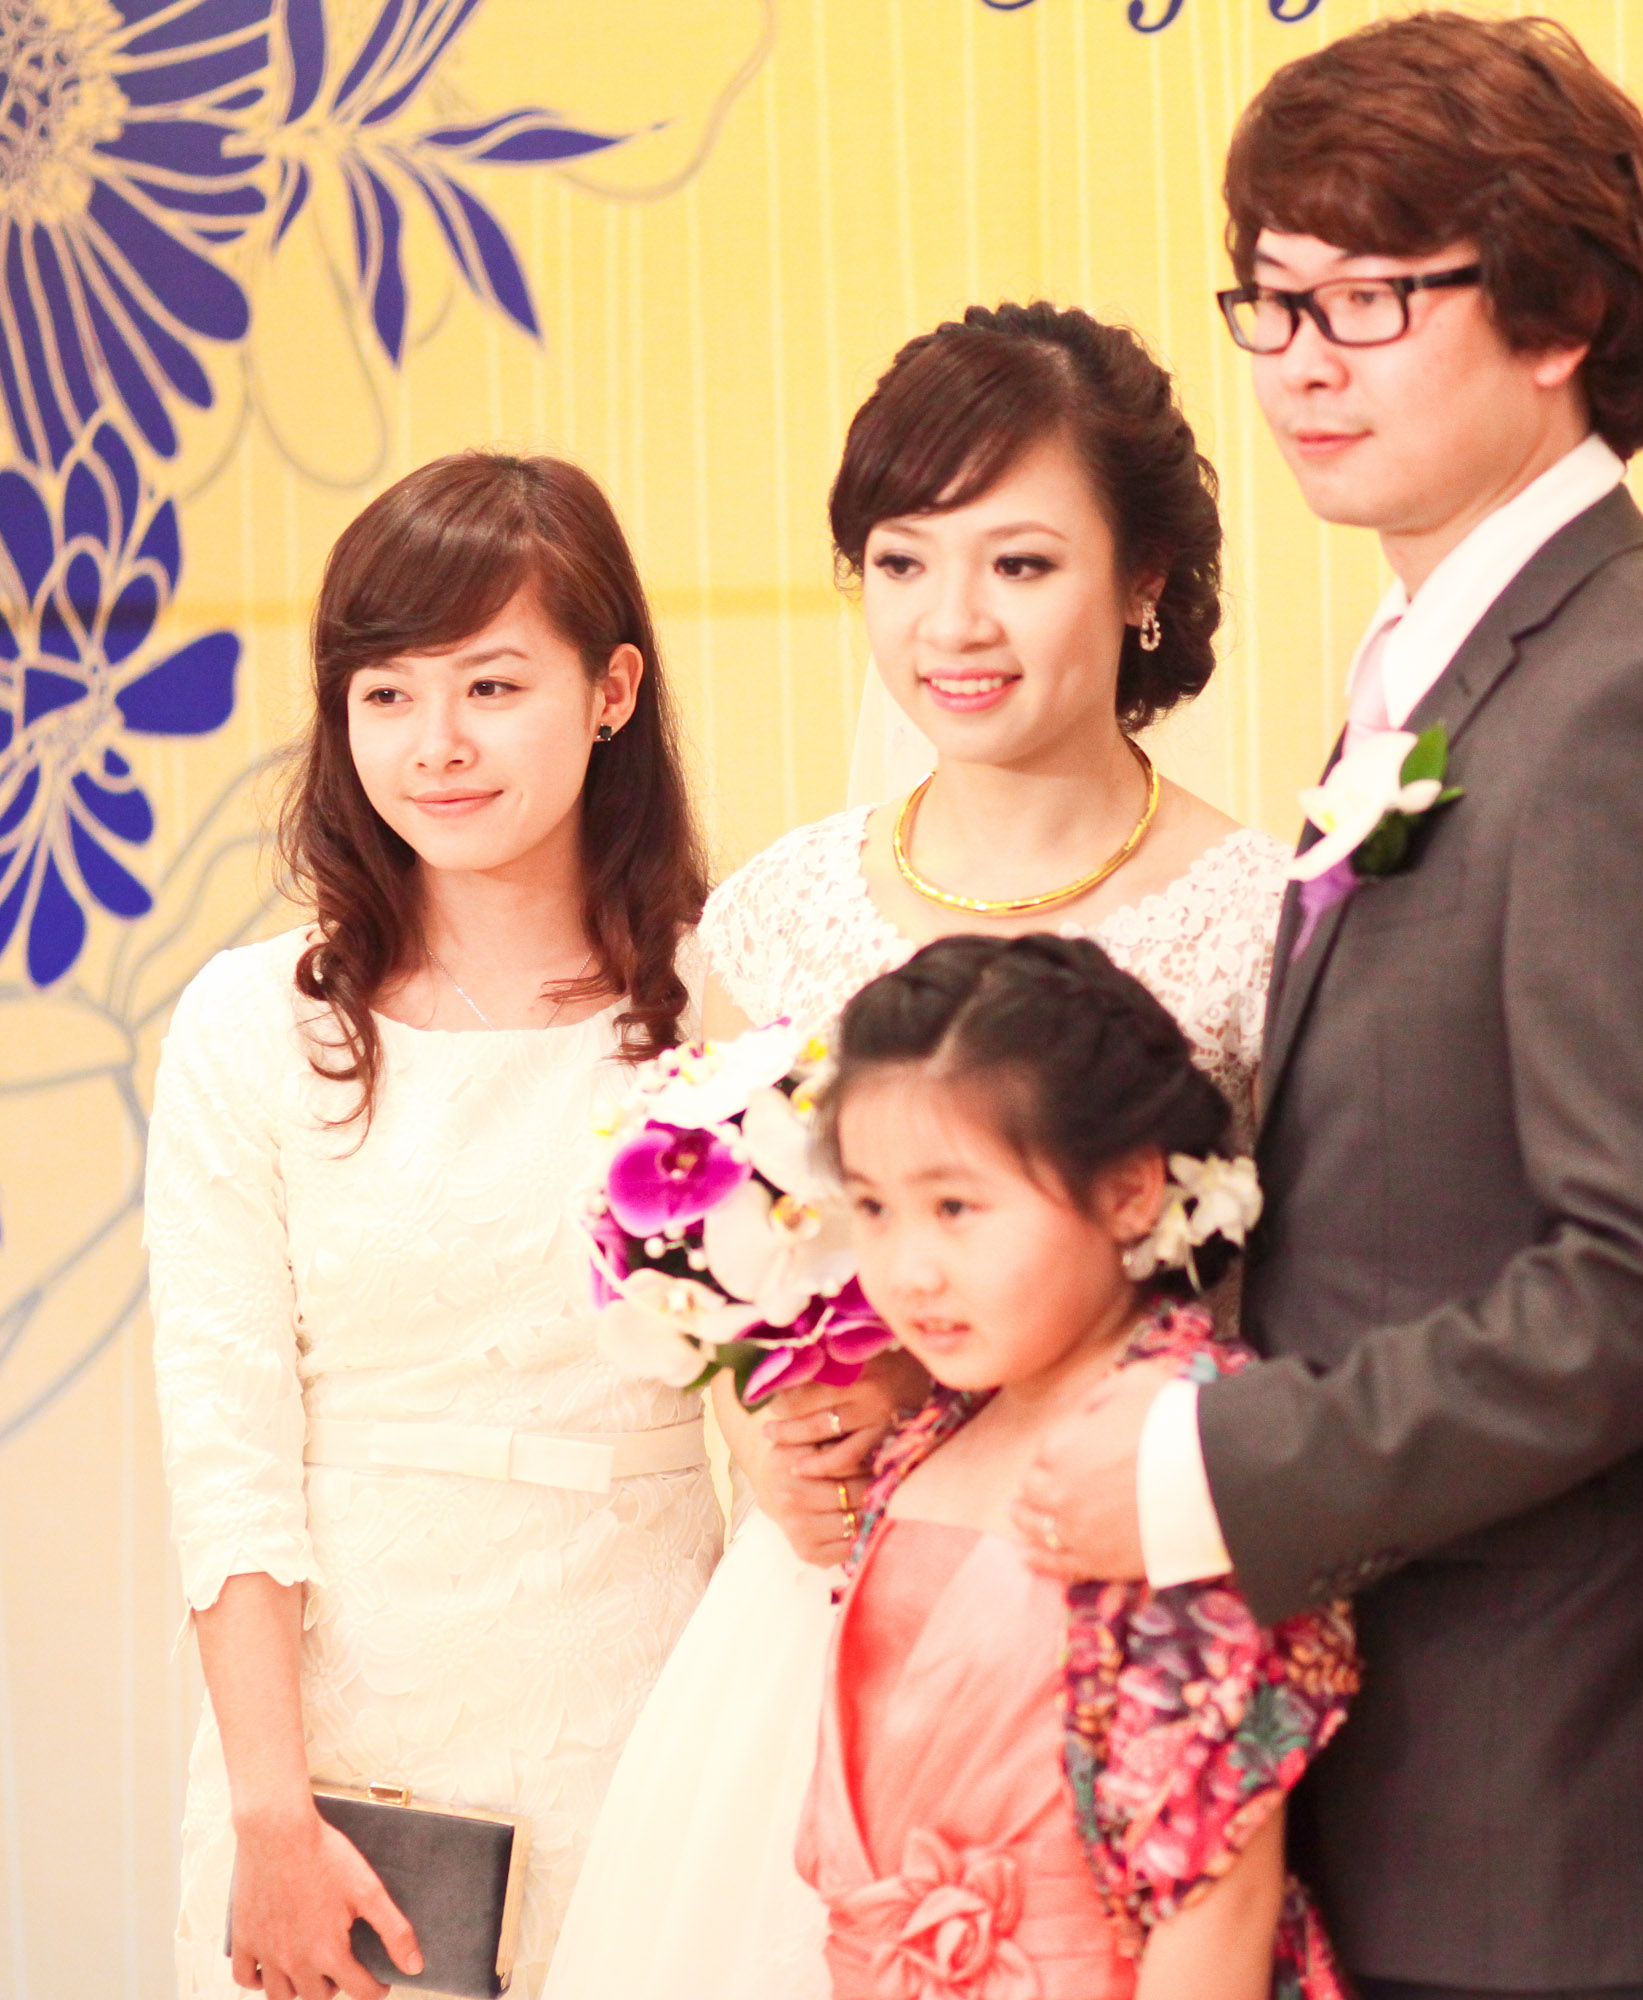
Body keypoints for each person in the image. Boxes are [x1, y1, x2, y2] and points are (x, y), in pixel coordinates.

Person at [1021, 16, 1643, 1999]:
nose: (1300, 359)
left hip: (1572, 1801)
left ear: (1564, 315)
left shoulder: (1637, 698)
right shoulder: (1446, 665)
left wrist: (1215, 1473)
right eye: (1272, 297)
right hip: (1416, 1779)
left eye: (1369, 298)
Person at [546, 302, 1287, 1999]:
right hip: (811, 1626)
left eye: (1019, 563)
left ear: (1145, 580)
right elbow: (720, 1275)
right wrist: (766, 1428)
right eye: (900, 561)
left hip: (1117, 1627)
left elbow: (1296, 1309)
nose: (952, 622)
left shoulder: (1262, 921)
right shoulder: (780, 914)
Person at [146, 453, 724, 2000]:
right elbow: (227, 1450)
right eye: (386, 694)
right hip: (332, 1749)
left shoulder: (722, 1011)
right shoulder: (250, 1025)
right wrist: (270, 1814)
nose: (438, 745)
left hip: (646, 1705)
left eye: (492, 686)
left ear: (611, 692)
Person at [810, 933, 1357, 1999]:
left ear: (1129, 1191)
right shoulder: (932, 1434)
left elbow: (1215, 1899)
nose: (910, 1270)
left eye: (956, 1207)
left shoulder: (1177, 1453)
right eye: (873, 1207)